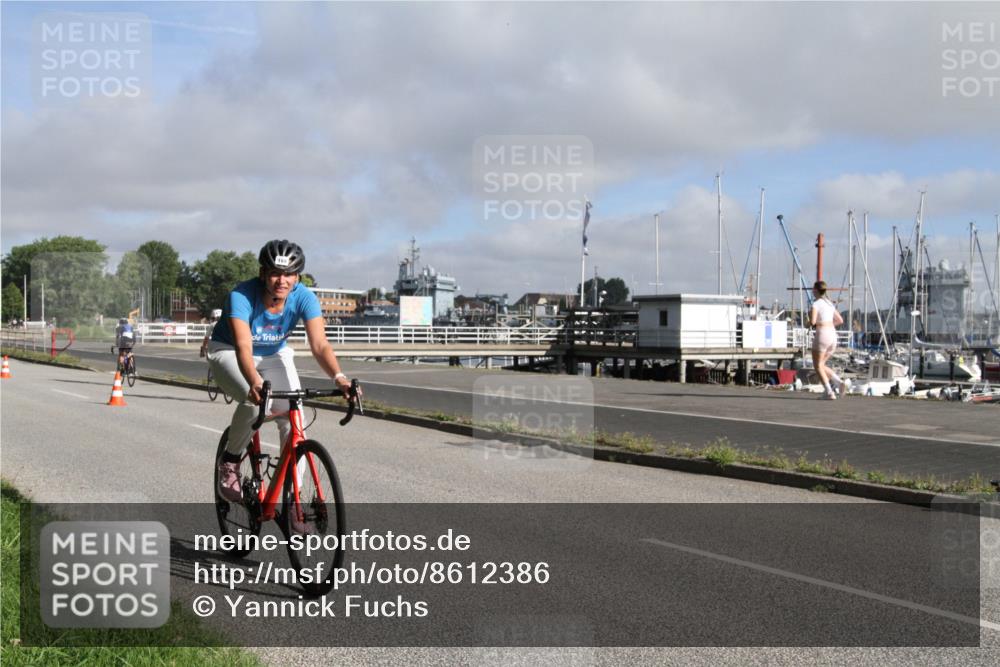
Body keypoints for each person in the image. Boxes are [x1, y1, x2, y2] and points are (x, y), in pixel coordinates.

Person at [207, 240, 354, 503]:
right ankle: (230, 461)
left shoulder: (305, 297)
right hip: (229, 350)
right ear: (263, 273)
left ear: (297, 277)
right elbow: (243, 346)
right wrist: (254, 381)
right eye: (275, 273)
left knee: (294, 417)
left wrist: (339, 378)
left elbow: (320, 345)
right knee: (256, 402)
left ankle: (291, 497)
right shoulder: (241, 296)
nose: (281, 280)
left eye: (288, 274)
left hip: (274, 352)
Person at [809, 281, 845, 399]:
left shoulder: (816, 304)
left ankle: (829, 392)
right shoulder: (829, 303)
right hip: (833, 335)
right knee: (822, 364)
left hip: (822, 334)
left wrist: (807, 321)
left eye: (813, 289)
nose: (812, 291)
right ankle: (839, 382)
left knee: (817, 365)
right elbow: (840, 320)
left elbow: (812, 322)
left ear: (815, 290)